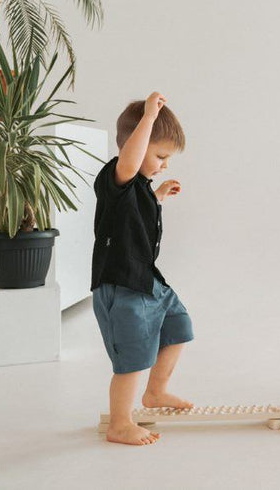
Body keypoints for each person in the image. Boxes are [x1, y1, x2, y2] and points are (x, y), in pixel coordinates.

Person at [92, 91, 194, 445]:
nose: (164, 164)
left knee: (179, 325)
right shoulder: (116, 177)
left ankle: (156, 393)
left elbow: (135, 219)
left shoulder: (140, 189)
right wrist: (149, 117)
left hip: (147, 282)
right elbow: (130, 163)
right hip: (120, 286)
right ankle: (121, 423)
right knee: (133, 357)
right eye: (160, 155)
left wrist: (159, 197)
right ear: (135, 146)